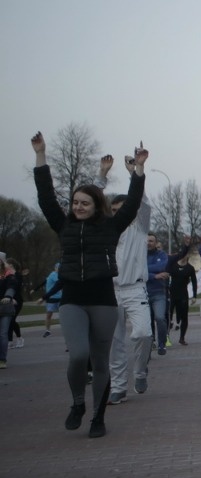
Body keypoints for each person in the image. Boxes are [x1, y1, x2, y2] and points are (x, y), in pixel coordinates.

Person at [32, 131, 147, 437]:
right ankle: (78, 402)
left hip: (103, 299)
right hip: (72, 297)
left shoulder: (111, 226)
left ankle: (98, 416)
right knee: (78, 354)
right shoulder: (63, 223)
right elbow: (45, 196)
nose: (78, 207)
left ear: (96, 205)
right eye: (75, 202)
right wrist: (41, 155)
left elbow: (133, 203)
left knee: (100, 361)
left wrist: (138, 170)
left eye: (84, 203)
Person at [94, 155, 157, 403]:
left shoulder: (138, 227)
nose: (118, 214)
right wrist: (102, 173)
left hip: (134, 289)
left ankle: (140, 371)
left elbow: (142, 203)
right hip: (109, 291)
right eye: (114, 211)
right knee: (114, 342)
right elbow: (89, 202)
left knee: (142, 333)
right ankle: (119, 386)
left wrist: (136, 172)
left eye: (123, 210)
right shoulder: (104, 230)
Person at [167, 237, 198, 346]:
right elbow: (166, 276)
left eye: (188, 254)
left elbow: (194, 282)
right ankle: (166, 337)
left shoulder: (190, 268)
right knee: (168, 316)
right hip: (172, 294)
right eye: (185, 254)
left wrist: (194, 296)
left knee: (184, 317)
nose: (186, 256)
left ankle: (182, 338)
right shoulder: (173, 265)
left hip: (183, 295)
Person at [145, 232, 170, 355]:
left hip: (159, 293)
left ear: (156, 243)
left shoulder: (162, 255)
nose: (149, 243)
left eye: (151, 241)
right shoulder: (139, 255)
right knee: (147, 321)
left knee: (160, 318)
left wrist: (146, 269)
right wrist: (155, 275)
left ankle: (162, 344)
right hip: (143, 293)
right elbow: (139, 271)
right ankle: (150, 343)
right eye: (147, 241)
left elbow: (163, 266)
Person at [32, 263, 61, 337]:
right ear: (55, 268)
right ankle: (48, 331)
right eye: (57, 267)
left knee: (62, 315)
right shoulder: (53, 274)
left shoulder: (57, 275)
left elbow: (45, 283)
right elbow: (44, 282)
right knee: (49, 315)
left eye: (60, 268)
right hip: (51, 298)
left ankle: (65, 329)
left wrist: (35, 290)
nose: (58, 269)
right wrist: (35, 290)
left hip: (59, 297)